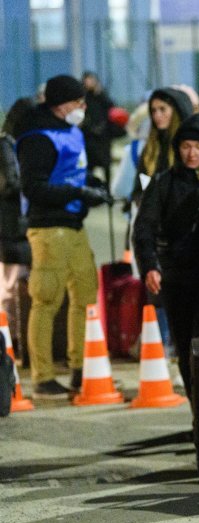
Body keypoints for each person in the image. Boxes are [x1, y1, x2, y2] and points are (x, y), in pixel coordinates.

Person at [15, 74, 113, 399]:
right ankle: (42, 377)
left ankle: (82, 368)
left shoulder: (71, 130)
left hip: (74, 224)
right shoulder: (38, 137)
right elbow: (34, 187)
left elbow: (76, 169)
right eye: (77, 102)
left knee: (85, 296)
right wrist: (79, 192)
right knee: (46, 300)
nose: (83, 107)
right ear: (60, 104)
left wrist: (92, 185)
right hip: (48, 227)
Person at [133, 113, 199, 402]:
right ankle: (198, 411)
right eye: (186, 146)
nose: (192, 153)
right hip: (177, 278)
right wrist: (150, 265)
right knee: (186, 345)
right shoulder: (163, 183)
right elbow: (144, 229)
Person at [0, 98, 35, 358]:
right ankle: (10, 343)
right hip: (11, 228)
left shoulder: (10, 145)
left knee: (12, 287)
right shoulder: (8, 147)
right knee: (10, 288)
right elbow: (10, 185)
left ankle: (13, 341)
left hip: (14, 227)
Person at [81, 71, 125, 185]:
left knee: (106, 165)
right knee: (90, 165)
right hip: (89, 136)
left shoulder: (102, 95)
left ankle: (108, 189)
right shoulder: (83, 97)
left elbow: (111, 109)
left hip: (103, 136)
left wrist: (99, 93)